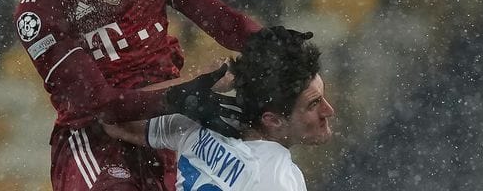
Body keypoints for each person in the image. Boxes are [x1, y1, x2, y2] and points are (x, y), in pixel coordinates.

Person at [13, 0, 265, 191]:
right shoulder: (36, 11)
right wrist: (184, 95)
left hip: (166, 128)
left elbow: (218, 18)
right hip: (97, 143)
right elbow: (102, 105)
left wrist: (269, 42)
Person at [103, 27, 335, 190]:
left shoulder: (197, 127)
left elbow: (112, 119)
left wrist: (194, 83)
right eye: (314, 104)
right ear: (272, 120)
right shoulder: (279, 180)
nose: (329, 111)